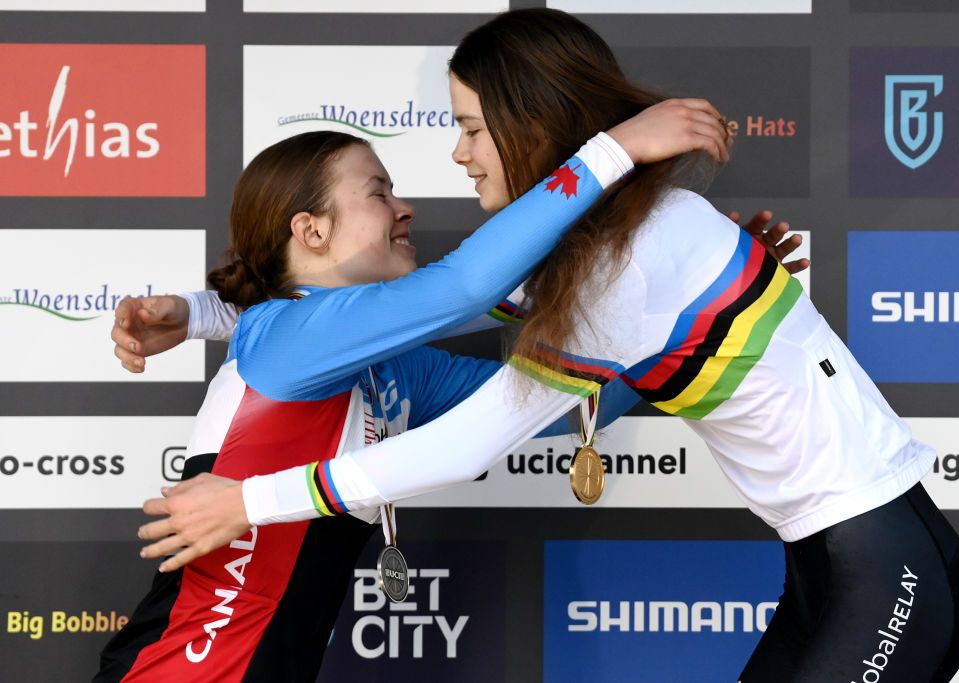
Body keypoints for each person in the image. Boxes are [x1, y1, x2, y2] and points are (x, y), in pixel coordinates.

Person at [137, 8, 959, 683]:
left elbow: (476, 415)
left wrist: (249, 500)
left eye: (470, 127)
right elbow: (430, 305)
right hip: (836, 565)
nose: (458, 155)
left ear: (528, 123)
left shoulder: (628, 257)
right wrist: (206, 311)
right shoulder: (615, 251)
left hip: (884, 570)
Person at [96, 98, 732, 681]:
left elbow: (573, 402)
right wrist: (613, 148)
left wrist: (712, 305)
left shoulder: (395, 372)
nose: (406, 208)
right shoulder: (282, 333)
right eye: (378, 193)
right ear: (311, 231)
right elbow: (465, 288)